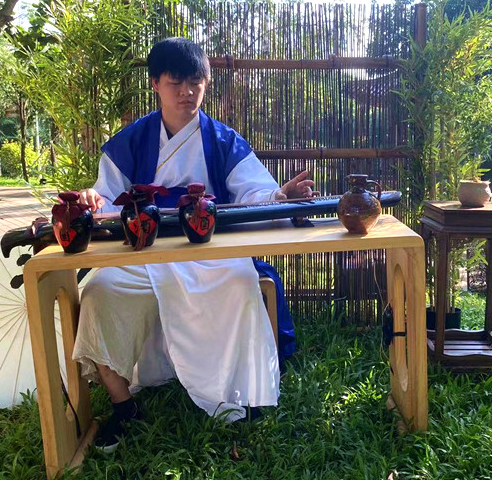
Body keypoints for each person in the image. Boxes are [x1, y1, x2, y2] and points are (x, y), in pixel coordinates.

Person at [74, 37, 314, 451]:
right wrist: (93, 200)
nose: (187, 92)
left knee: (240, 283)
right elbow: (107, 199)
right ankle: (123, 405)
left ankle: (240, 394)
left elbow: (253, 192)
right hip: (144, 251)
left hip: (210, 250)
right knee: (99, 290)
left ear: (206, 83)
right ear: (155, 84)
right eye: (176, 83)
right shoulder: (130, 141)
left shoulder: (222, 140)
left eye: (195, 82)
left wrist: (280, 196)